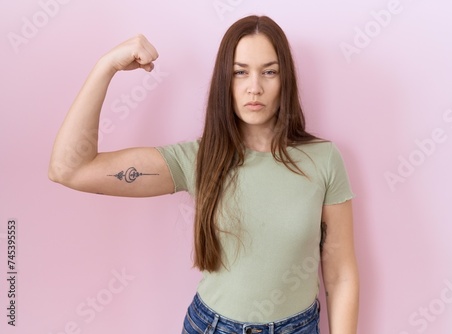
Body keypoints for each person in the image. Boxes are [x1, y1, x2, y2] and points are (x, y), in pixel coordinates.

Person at [48, 15, 359, 334]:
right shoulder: (198, 158)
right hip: (211, 327)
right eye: (240, 72)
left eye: (269, 71)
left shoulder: (323, 159)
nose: (255, 87)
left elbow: (340, 275)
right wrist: (106, 66)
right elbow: (69, 169)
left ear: (285, 80)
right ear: (225, 80)